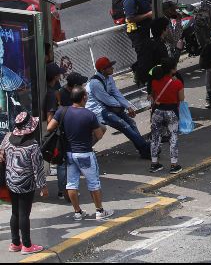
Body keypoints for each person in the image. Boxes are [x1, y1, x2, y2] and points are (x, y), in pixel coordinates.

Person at [47, 87, 112, 221]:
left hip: (69, 154)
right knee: (93, 183)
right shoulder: (89, 115)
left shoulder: (62, 111)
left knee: (71, 184)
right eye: (86, 95)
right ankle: (99, 211)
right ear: (83, 98)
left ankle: (77, 212)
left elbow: (49, 127)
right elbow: (99, 135)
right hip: (85, 154)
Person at [0, 112, 47, 254]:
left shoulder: (8, 138)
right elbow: (37, 168)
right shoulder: (32, 145)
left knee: (15, 212)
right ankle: (27, 246)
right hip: (26, 184)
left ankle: (15, 243)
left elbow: (2, 154)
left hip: (11, 180)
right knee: (24, 214)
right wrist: (42, 186)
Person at [86, 57, 151, 159]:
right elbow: (107, 99)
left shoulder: (109, 77)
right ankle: (145, 148)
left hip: (109, 107)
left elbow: (115, 93)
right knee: (124, 125)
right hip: (98, 111)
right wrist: (123, 108)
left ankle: (143, 149)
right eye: (109, 67)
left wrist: (128, 106)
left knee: (131, 123)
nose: (112, 68)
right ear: (103, 70)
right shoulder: (95, 83)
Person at [149, 59, 184, 174]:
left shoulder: (154, 81)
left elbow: (154, 96)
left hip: (157, 112)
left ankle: (154, 164)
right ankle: (174, 165)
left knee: (155, 137)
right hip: (171, 112)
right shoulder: (177, 83)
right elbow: (181, 99)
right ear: (172, 69)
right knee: (173, 137)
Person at [123, 0, 153, 86]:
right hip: (136, 31)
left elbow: (150, 4)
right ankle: (140, 77)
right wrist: (148, 15)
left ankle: (143, 74)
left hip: (146, 28)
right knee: (142, 54)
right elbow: (130, 18)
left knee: (148, 52)